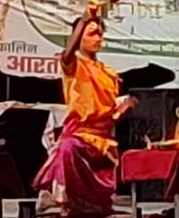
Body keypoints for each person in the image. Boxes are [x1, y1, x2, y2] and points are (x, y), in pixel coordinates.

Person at [33, 14, 137, 217]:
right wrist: (84, 20)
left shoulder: (107, 74)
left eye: (100, 34)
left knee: (98, 210)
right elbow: (67, 54)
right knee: (67, 149)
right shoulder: (73, 66)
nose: (98, 39)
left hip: (103, 145)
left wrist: (122, 111)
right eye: (92, 34)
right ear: (79, 36)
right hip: (79, 140)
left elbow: (107, 117)